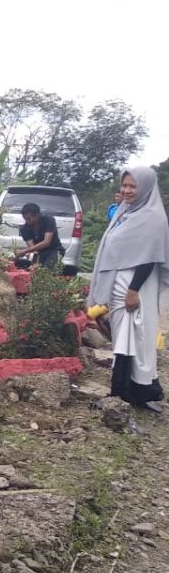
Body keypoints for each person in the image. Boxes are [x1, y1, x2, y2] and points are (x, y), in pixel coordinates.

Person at [88, 167, 169, 410]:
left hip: (136, 287)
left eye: (132, 186)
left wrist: (133, 290)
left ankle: (138, 391)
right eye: (124, 185)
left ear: (144, 187)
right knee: (123, 337)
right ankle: (122, 391)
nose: (126, 190)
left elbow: (150, 257)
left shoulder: (153, 216)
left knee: (138, 336)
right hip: (121, 286)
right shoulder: (124, 212)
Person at [15, 203, 62, 270]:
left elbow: (46, 242)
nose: (27, 221)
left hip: (54, 250)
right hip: (40, 253)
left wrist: (25, 251)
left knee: (47, 269)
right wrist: (35, 262)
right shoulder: (24, 229)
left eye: (29, 219)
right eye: (25, 219)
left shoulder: (48, 220)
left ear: (37, 215)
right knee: (34, 269)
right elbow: (33, 249)